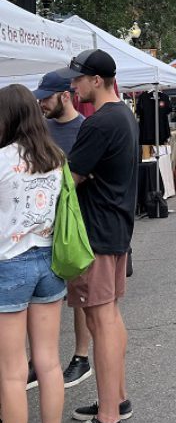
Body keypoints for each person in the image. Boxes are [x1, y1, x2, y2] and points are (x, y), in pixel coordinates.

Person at [54, 50, 138, 423]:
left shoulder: (100, 122)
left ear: (97, 80)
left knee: (101, 319)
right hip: (115, 227)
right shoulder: (123, 115)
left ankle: (108, 420)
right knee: (108, 315)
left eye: (78, 79)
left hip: (96, 232)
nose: (73, 86)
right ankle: (115, 401)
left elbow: (71, 177)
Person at [0, 84, 66, 423]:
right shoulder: (55, 158)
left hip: (9, 264)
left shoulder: (3, 160)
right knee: (49, 362)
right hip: (49, 261)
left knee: (10, 373)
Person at [32, 71, 93, 391]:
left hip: (74, 224)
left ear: (65, 96)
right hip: (41, 226)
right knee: (42, 295)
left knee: (79, 294)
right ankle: (38, 360)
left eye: (46, 97)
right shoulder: (41, 129)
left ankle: (81, 357)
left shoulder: (85, 130)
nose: (41, 103)